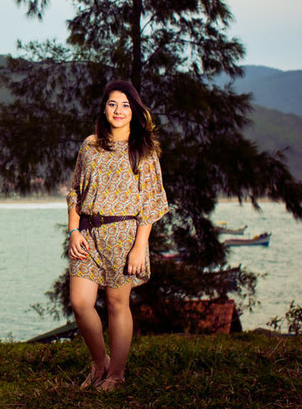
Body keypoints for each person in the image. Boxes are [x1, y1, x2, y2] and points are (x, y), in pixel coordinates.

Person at [65, 80, 169, 390]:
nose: (118, 110)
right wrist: (73, 230)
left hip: (125, 236)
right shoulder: (90, 145)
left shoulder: (144, 150)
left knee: (116, 305)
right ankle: (100, 363)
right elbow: (75, 192)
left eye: (125, 105)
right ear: (104, 108)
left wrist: (140, 247)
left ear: (134, 110)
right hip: (87, 234)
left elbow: (152, 203)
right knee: (81, 302)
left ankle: (117, 374)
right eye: (112, 104)